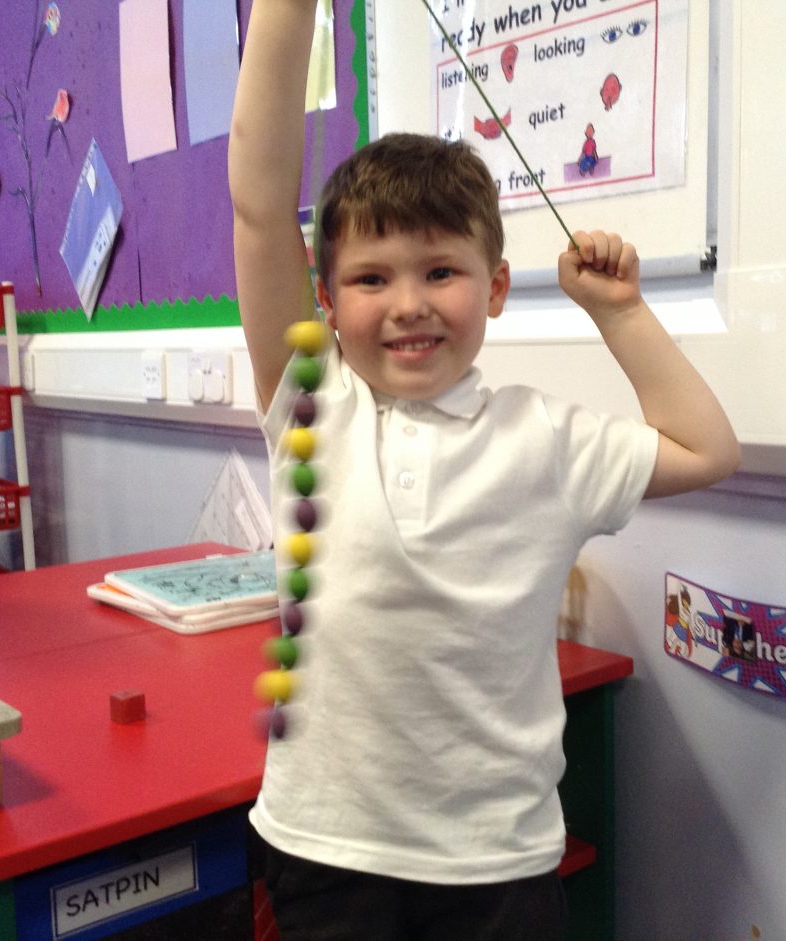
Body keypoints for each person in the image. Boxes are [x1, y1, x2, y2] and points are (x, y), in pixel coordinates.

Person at [229, 3, 740, 937]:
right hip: (326, 850)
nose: (408, 304)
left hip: (496, 862)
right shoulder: (312, 402)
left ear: (495, 286)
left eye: (441, 272)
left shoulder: (544, 437)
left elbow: (707, 447)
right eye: (371, 278)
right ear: (326, 302)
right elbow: (260, 209)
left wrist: (621, 313)